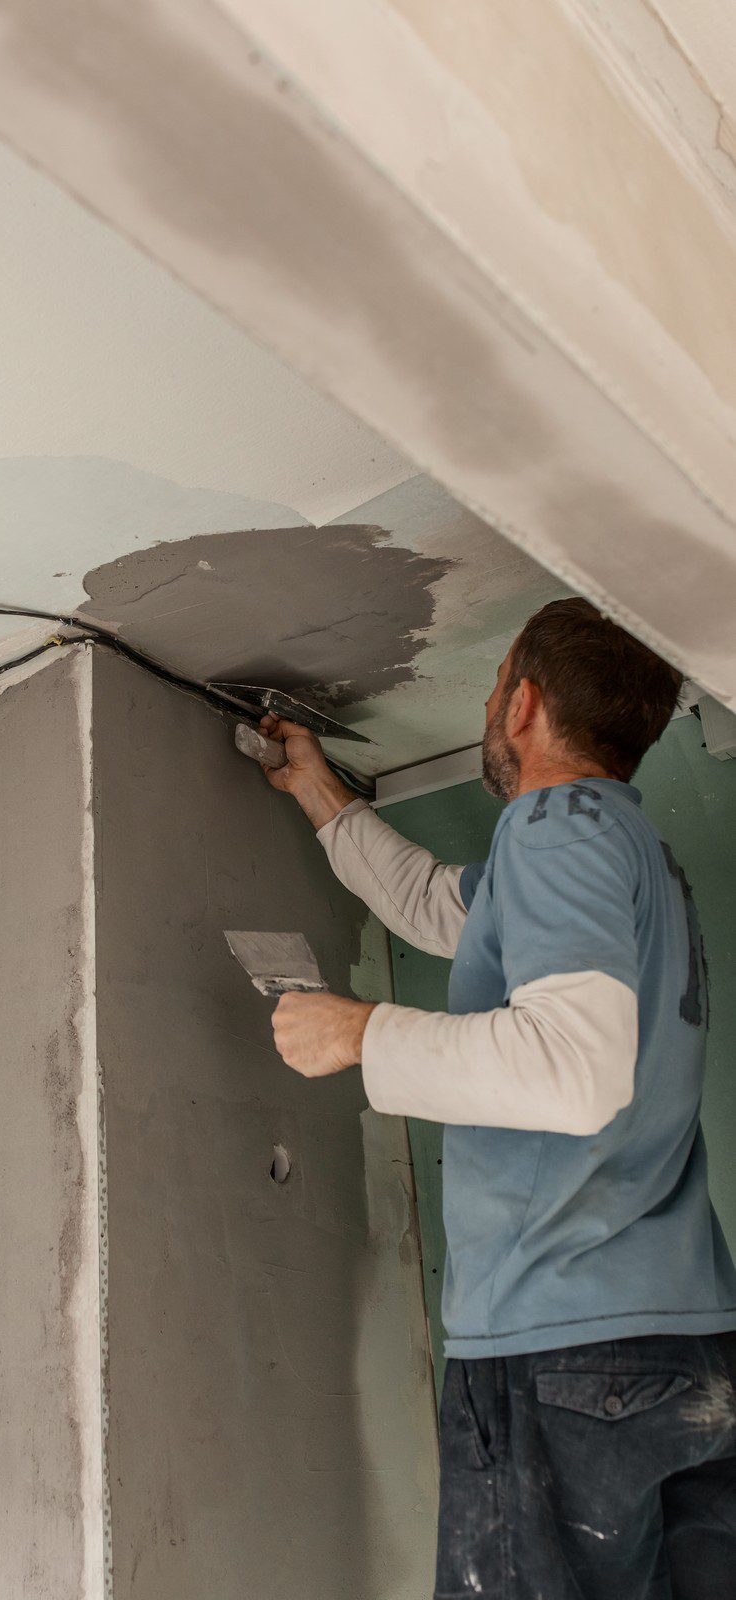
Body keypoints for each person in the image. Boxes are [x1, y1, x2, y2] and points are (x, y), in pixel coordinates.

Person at [260, 597, 736, 1600]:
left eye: (489, 690)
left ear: (520, 701)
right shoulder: (622, 849)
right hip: (684, 1343)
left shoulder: (552, 828)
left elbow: (570, 1071)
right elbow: (444, 909)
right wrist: (320, 795)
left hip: (562, 1345)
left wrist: (362, 1032)